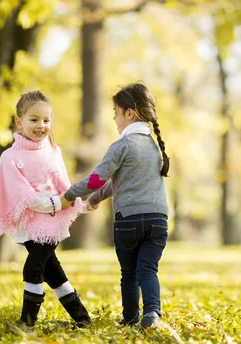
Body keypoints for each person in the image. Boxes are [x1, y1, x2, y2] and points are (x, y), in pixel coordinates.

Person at [60, 82, 170, 329]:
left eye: (116, 114)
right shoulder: (154, 147)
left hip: (129, 220)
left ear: (129, 113)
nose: (114, 120)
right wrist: (96, 198)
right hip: (158, 220)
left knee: (129, 273)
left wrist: (69, 194)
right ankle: (152, 313)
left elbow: (98, 179)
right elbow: (117, 184)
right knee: (148, 269)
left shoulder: (122, 145)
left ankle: (131, 319)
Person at [0, 90, 92, 329]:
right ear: (19, 121)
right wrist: (56, 203)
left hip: (52, 223)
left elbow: (64, 186)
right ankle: (82, 318)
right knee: (53, 273)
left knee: (33, 268)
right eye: (34, 120)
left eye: (46, 120)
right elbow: (23, 196)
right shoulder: (9, 157)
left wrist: (79, 204)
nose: (41, 125)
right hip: (29, 225)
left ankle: (27, 322)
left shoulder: (54, 151)